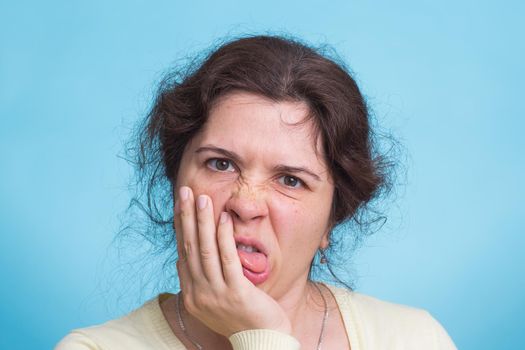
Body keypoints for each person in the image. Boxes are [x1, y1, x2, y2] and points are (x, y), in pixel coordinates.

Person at [56, 35, 457, 349]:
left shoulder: (416, 340)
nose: (246, 204)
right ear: (176, 179)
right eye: (220, 163)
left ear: (332, 218)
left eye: (290, 180)